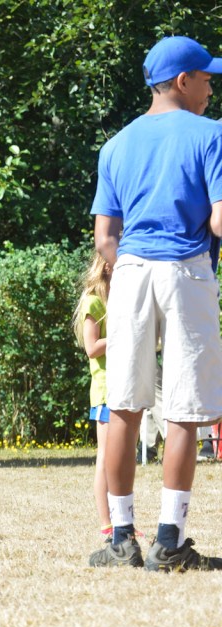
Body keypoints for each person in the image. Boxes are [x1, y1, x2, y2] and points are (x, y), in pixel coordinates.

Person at [90, 36, 222, 571]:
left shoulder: (115, 145)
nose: (212, 88)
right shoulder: (211, 134)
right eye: (208, 78)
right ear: (183, 81)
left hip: (130, 272)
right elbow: (217, 220)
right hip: (185, 268)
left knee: (123, 404)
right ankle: (169, 541)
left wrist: (130, 272)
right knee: (184, 410)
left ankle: (122, 539)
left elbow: (104, 237)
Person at [71, 251, 112, 538]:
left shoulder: (118, 298)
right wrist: (124, 334)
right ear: (106, 264)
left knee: (120, 460)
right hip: (106, 391)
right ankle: (107, 524)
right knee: (106, 459)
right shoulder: (93, 302)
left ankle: (122, 522)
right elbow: (92, 348)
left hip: (125, 386)